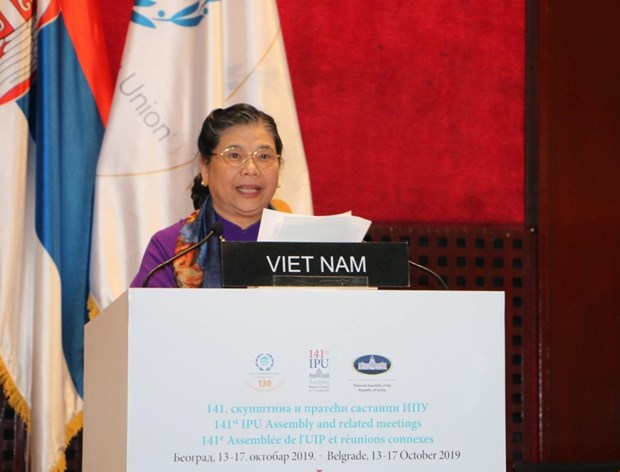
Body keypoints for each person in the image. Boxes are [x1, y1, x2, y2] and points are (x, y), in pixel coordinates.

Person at [130, 103, 283, 288]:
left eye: (264, 156)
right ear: (205, 167)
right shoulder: (169, 249)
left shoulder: (306, 244)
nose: (251, 169)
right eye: (234, 155)